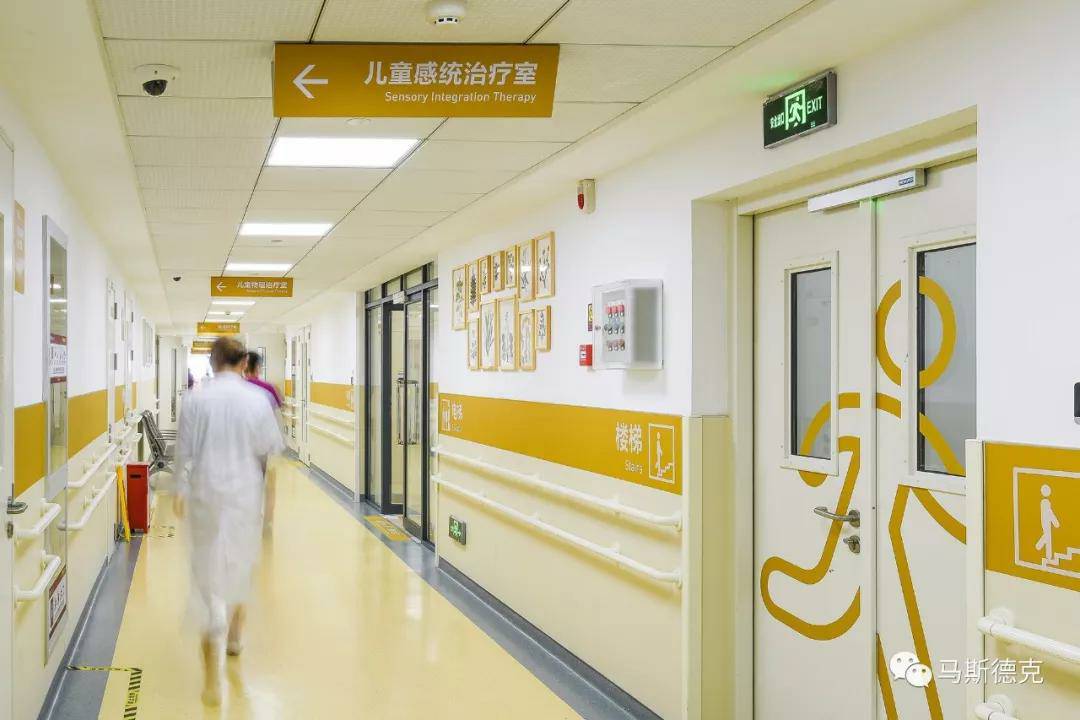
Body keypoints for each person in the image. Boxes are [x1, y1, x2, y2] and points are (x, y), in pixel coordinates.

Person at [173, 336, 284, 706]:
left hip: (205, 494)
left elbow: (184, 452)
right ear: (243, 364)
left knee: (205, 574)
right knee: (240, 565)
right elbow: (269, 451)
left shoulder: (195, 399)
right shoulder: (257, 400)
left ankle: (211, 680)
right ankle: (234, 636)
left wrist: (179, 490)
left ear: (212, 362)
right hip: (243, 497)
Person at [243, 350, 283, 531]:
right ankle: (267, 520)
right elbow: (279, 407)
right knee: (265, 480)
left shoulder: (238, 388)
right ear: (258, 367)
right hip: (263, 443)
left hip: (242, 443)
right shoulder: (269, 389)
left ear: (243, 367)